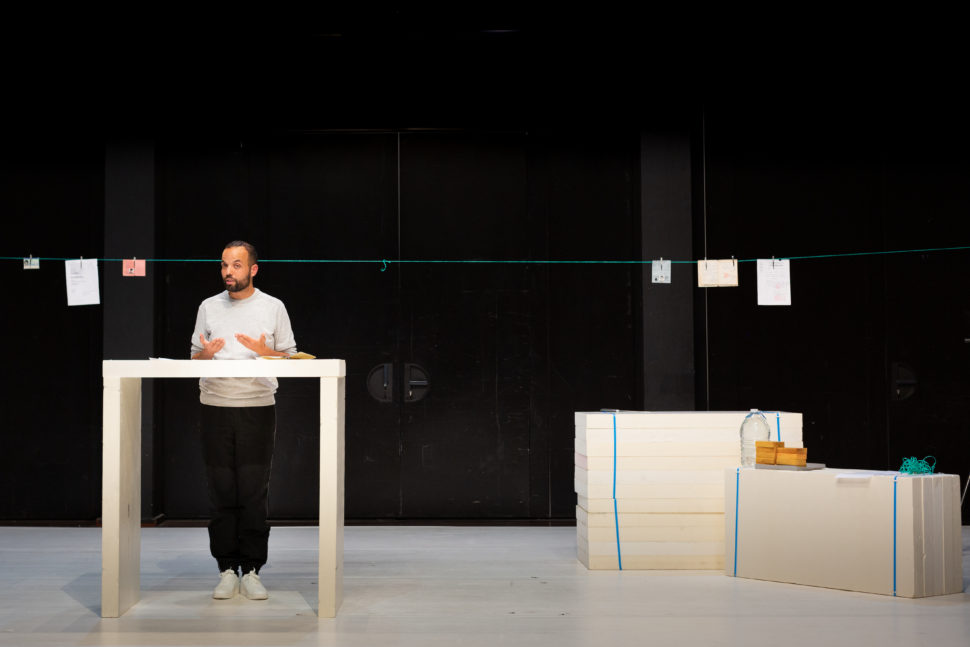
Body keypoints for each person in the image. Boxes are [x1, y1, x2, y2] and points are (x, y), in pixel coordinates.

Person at [190, 240, 297, 600]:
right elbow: (194, 357)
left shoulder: (273, 307)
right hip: (215, 405)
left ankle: (251, 569)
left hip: (256, 406)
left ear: (253, 269)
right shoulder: (208, 306)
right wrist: (205, 354)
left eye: (236, 265)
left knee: (253, 490)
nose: (228, 272)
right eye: (224, 265)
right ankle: (226, 569)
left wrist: (265, 352)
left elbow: (291, 356)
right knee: (220, 489)